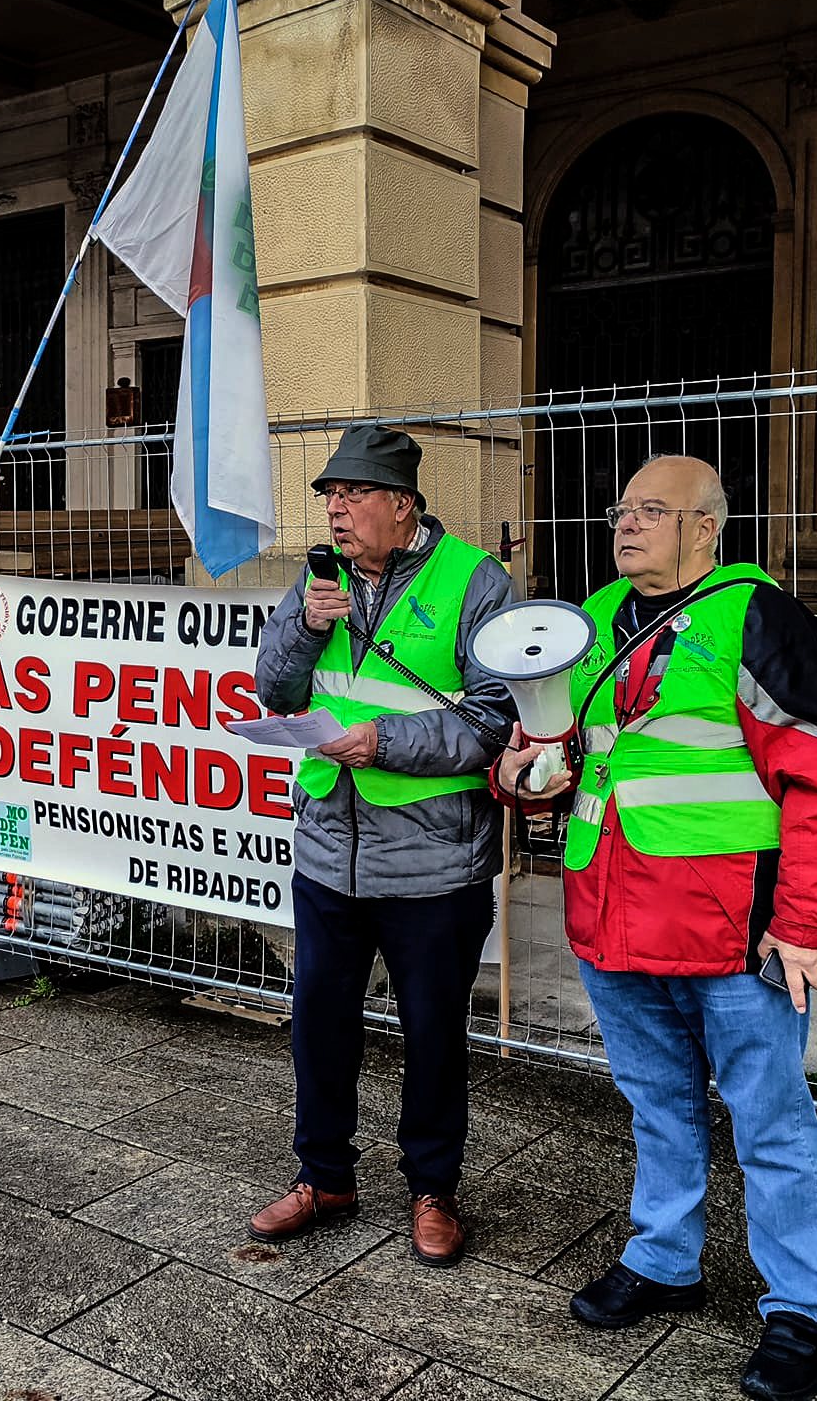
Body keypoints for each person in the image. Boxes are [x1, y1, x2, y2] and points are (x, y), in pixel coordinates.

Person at [494, 454, 817, 1401]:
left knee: (772, 1124)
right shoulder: (591, 620)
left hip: (733, 934)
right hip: (612, 919)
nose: (626, 526)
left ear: (707, 528)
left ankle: (800, 1311)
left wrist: (810, 923)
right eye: (622, 509)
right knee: (657, 1108)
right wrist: (531, 773)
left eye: (652, 511)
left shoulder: (757, 619)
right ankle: (665, 1261)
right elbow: (578, 752)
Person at [249, 423, 516, 1266]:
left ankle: (433, 1188)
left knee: (433, 1032)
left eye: (354, 493)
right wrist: (302, 626)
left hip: (434, 862)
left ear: (402, 505)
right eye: (330, 495)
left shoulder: (476, 581)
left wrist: (382, 744)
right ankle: (323, 1177)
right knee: (318, 1024)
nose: (336, 509)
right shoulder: (318, 581)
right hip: (330, 849)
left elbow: (495, 719)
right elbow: (274, 686)